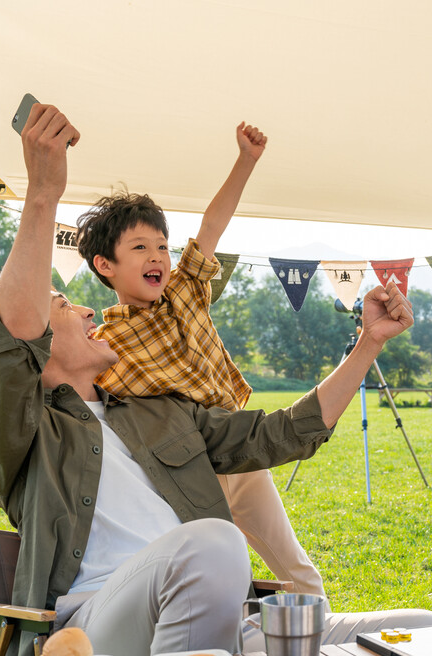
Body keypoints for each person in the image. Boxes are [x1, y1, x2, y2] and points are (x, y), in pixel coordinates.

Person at [0, 102, 432, 656]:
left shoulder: (155, 411)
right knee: (214, 541)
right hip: (94, 624)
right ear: (37, 347)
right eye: (64, 306)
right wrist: (44, 190)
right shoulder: (19, 433)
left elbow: (280, 434)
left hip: (218, 620)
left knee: (426, 629)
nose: (89, 313)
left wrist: (368, 343)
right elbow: (10, 339)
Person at [74, 124, 327, 601]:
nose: (158, 257)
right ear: (105, 265)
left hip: (242, 453)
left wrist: (246, 160)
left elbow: (211, 226)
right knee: (217, 582)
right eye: (140, 248)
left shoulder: (184, 292)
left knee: (298, 571)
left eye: (162, 247)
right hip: (184, 473)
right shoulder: (105, 343)